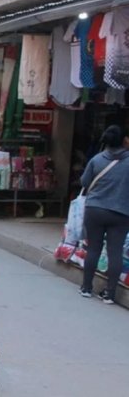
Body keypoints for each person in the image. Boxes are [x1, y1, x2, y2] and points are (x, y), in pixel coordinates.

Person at [79, 125, 129, 305]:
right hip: (121, 212)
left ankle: (86, 287)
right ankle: (109, 293)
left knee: (93, 248)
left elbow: (84, 182)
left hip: (95, 209)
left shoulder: (96, 160)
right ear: (125, 140)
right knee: (115, 252)